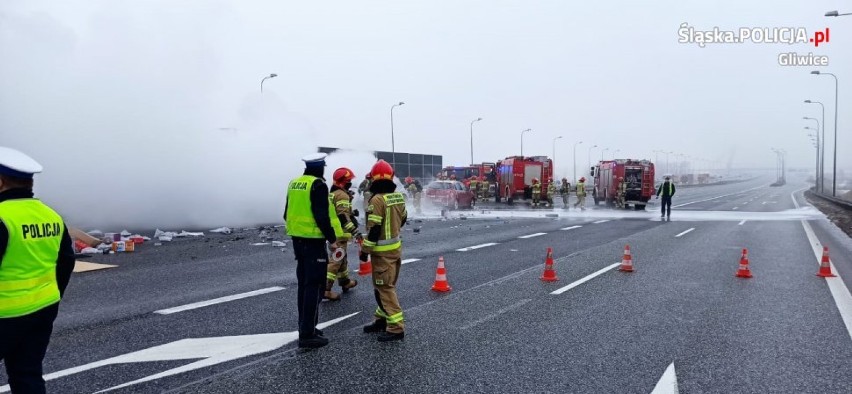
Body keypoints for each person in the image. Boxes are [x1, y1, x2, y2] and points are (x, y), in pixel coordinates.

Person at [0, 146, 76, 393]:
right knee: (28, 376)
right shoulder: (51, 216)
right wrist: (51, 297)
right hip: (42, 312)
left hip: (3, 315)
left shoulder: (2, 217)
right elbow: (66, 262)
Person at [284, 153, 345, 349]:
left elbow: (286, 213)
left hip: (298, 241)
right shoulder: (318, 184)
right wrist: (332, 240)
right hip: (313, 243)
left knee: (304, 285)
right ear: (320, 167)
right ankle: (307, 335)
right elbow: (321, 216)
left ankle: (307, 327)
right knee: (315, 286)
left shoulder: (295, 183)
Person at [360, 160, 408, 342]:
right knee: (384, 287)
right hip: (395, 250)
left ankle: (396, 328)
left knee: (384, 288)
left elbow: (373, 229)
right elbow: (403, 218)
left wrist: (364, 250)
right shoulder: (397, 197)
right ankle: (381, 319)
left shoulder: (377, 199)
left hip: (382, 253)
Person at [325, 167, 361, 301]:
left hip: (334, 232)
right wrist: (355, 232)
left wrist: (352, 213)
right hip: (339, 233)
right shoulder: (342, 195)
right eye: (348, 181)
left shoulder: (333, 193)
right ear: (342, 182)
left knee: (342, 259)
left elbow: (338, 212)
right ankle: (326, 289)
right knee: (336, 260)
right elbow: (342, 217)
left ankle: (345, 282)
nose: (350, 183)